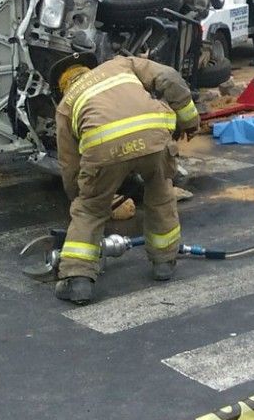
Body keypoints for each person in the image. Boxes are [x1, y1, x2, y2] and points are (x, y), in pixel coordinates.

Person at [52, 51, 199, 305]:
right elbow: (169, 77)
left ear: (64, 85)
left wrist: (82, 196)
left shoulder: (66, 106)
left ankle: (78, 280)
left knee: (89, 209)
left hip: (102, 149)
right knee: (160, 194)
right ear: (89, 69)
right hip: (154, 135)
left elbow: (70, 165)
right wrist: (189, 120)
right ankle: (164, 262)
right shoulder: (120, 64)